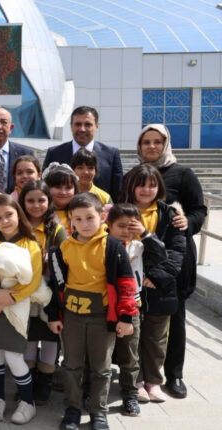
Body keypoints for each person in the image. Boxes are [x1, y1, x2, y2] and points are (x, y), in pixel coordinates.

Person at [46, 193, 138, 430]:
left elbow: (127, 283)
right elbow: (56, 286)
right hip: (72, 317)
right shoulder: (62, 249)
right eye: (78, 219)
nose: (85, 224)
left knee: (101, 367)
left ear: (102, 216)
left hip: (102, 317)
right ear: (70, 221)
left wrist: (126, 316)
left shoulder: (114, 246)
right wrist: (55, 315)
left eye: (90, 217)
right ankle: (73, 408)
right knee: (72, 365)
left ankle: (98, 410)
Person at [135, 124, 207, 399]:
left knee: (174, 316)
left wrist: (188, 221)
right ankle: (140, 373)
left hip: (175, 256)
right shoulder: (136, 175)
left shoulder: (182, 173)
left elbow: (200, 209)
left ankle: (174, 374)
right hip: (139, 260)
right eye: (146, 142)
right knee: (141, 317)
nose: (151, 147)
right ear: (139, 146)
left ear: (165, 144)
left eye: (157, 142)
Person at [117, 165, 187, 407]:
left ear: (159, 187)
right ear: (131, 186)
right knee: (132, 337)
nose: (146, 190)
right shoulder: (121, 211)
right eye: (141, 184)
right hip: (129, 287)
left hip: (161, 287)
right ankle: (135, 380)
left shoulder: (170, 214)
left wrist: (156, 277)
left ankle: (154, 381)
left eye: (152, 185)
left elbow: (177, 251)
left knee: (156, 337)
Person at [0, 194, 42, 425]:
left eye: (9, 215)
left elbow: (33, 281)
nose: (4, 221)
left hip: (16, 307)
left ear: (18, 215)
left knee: (13, 355)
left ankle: (27, 402)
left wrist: (4, 300)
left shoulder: (30, 244)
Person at [104, 203, 169, 414]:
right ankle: (94, 392)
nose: (125, 230)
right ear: (108, 225)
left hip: (132, 306)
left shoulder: (139, 246)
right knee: (100, 354)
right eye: (120, 225)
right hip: (105, 306)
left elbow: (161, 254)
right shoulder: (102, 245)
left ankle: (130, 394)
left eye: (131, 226)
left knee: (130, 354)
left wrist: (144, 233)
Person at [18, 180, 66, 405]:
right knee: (28, 335)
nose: (36, 205)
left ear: (49, 202)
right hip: (24, 292)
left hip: (49, 291)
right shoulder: (17, 225)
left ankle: (45, 381)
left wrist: (51, 257)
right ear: (22, 202)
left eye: (41, 200)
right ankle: (27, 380)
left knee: (49, 336)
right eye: (30, 200)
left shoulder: (55, 228)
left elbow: (65, 258)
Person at [42, 106, 123, 199]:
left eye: (88, 124)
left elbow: (117, 192)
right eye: (78, 124)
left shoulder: (111, 154)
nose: (82, 129)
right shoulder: (54, 153)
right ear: (71, 126)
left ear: (97, 126)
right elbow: (45, 189)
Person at [43, 163, 79, 233]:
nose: (63, 192)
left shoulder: (81, 211)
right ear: (47, 188)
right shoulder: (40, 214)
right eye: (58, 187)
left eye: (68, 188)